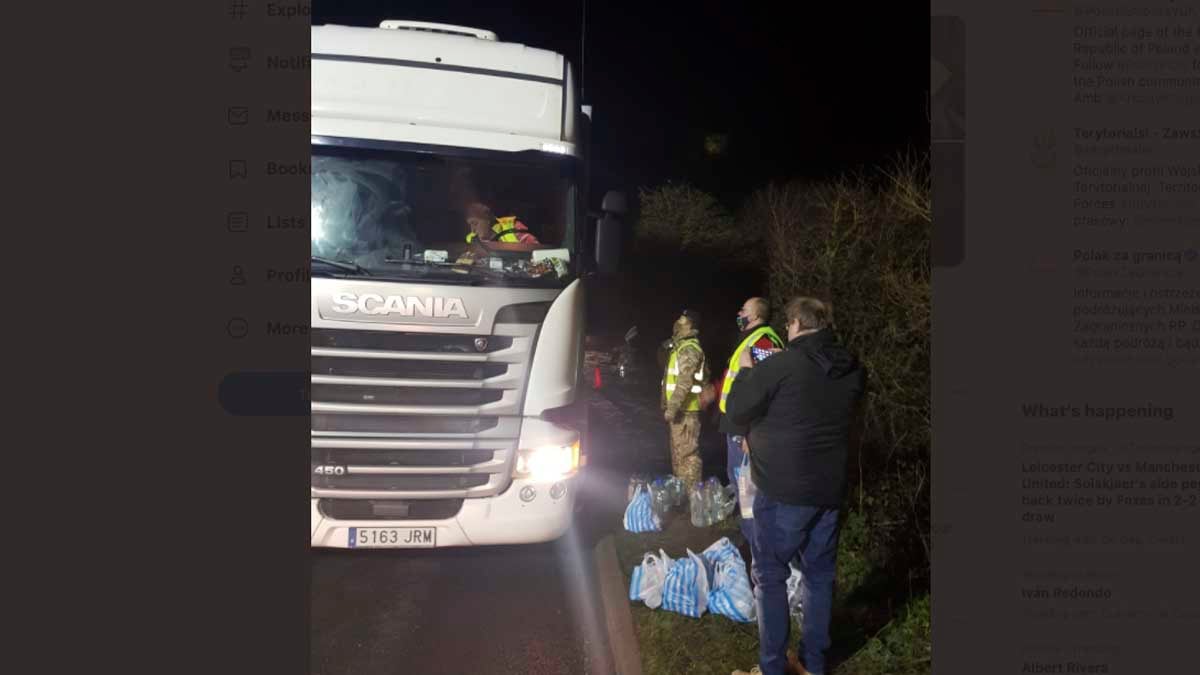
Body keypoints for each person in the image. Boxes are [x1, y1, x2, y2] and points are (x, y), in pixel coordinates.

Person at [726, 297, 866, 675]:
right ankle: (812, 663)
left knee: (770, 576)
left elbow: (738, 409)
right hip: (830, 491)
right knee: (819, 577)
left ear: (794, 325)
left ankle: (773, 667)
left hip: (784, 492)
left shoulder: (783, 364)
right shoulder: (850, 368)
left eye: (787, 326)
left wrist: (743, 372)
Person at [715, 297, 785, 545]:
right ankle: (752, 542)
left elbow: (764, 391)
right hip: (735, 423)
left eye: (743, 309)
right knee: (739, 486)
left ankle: (759, 549)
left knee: (748, 493)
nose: (739, 312)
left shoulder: (764, 340)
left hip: (744, 429)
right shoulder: (751, 339)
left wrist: (749, 430)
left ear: (755, 315)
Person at [660, 309, 708, 487]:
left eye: (682, 319)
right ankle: (684, 500)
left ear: (690, 324)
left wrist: (671, 408)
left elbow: (684, 382)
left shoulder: (689, 348)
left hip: (687, 413)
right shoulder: (680, 346)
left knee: (688, 461)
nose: (677, 321)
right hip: (681, 412)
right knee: (679, 459)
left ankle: (694, 503)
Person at [464, 202, 540, 245]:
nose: (472, 230)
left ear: (487, 220)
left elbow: (536, 251)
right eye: (470, 225)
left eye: (475, 223)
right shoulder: (471, 238)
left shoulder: (513, 227)